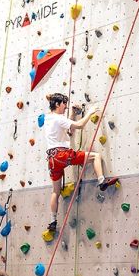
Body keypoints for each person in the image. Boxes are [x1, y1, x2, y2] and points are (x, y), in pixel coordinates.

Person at [44, 92, 117, 233]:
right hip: (62, 154)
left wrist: (72, 114)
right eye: (64, 105)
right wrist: (89, 112)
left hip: (52, 159)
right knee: (96, 156)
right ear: (57, 104)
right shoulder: (58, 118)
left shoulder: (49, 118)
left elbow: (67, 128)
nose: (65, 107)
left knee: (55, 191)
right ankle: (101, 181)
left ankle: (53, 221)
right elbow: (79, 125)